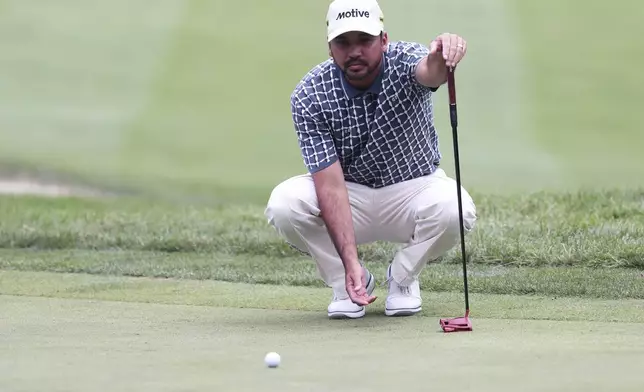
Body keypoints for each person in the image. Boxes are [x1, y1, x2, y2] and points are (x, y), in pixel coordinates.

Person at [264, 0, 477, 319]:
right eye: (343, 43)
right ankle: (348, 283)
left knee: (457, 209)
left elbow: (430, 73)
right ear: (329, 47)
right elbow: (331, 186)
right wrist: (350, 264)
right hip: (350, 195)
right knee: (285, 204)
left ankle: (402, 279)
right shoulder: (310, 94)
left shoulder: (405, 58)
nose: (354, 52)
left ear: (384, 40)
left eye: (364, 41)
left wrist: (440, 54)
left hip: (413, 188)